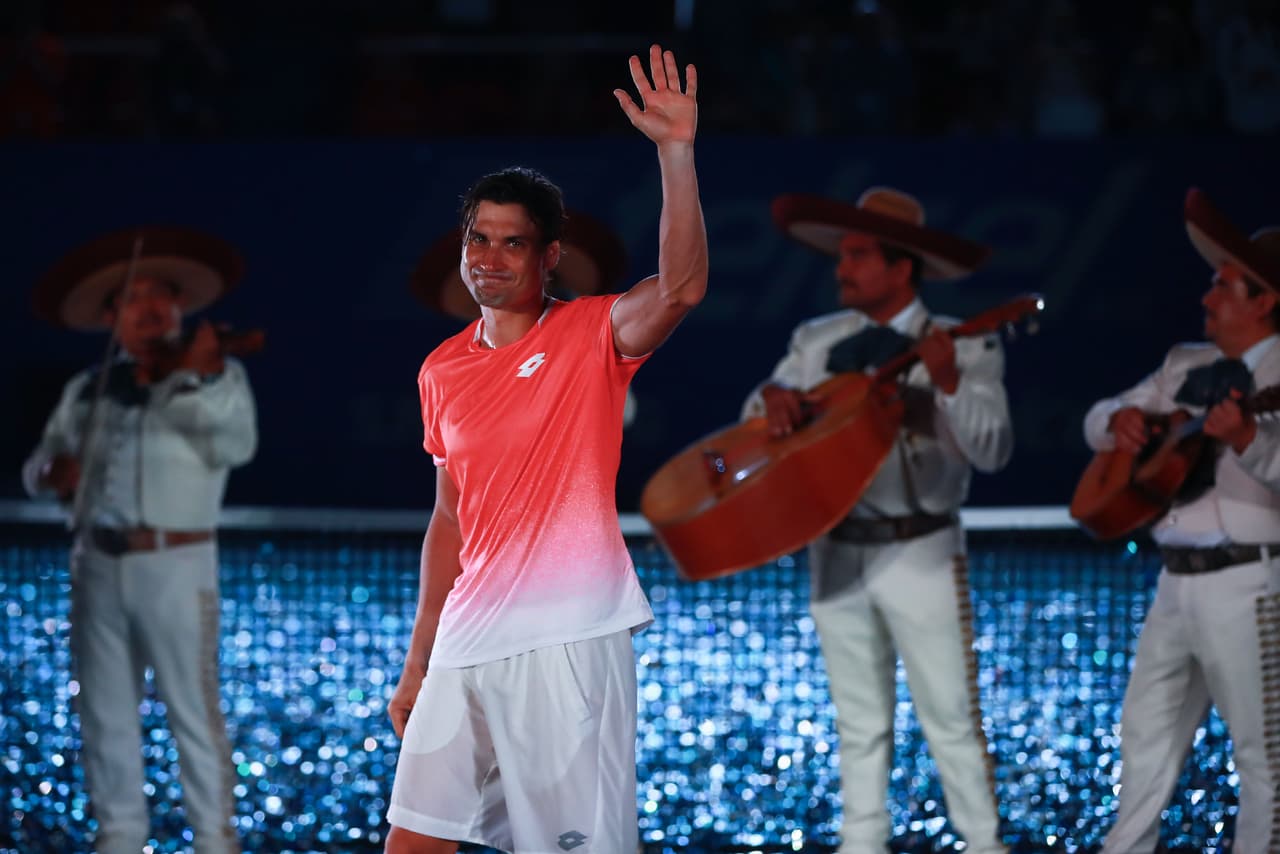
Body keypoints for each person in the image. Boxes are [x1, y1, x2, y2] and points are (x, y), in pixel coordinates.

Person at [384, 43, 707, 854]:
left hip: (568, 637)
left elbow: (682, 288)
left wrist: (676, 152)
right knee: (413, 841)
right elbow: (449, 522)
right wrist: (418, 659)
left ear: (548, 255)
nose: (488, 259)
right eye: (477, 240)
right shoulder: (441, 369)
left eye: (512, 243)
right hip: (465, 640)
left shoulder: (592, 330)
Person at [743, 188, 1011, 854]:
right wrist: (772, 399)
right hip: (836, 553)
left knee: (950, 716)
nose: (842, 267)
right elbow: (754, 416)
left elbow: (995, 448)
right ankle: (861, 842)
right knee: (858, 721)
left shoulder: (962, 344)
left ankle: (984, 843)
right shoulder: (815, 341)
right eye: (843, 254)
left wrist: (947, 385)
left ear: (902, 268)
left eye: (859, 254)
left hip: (921, 550)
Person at [22, 226, 257, 854]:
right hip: (95, 560)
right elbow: (40, 461)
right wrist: (50, 474)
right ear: (111, 318)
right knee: (103, 711)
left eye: (163, 297)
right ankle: (119, 836)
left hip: (176, 563)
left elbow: (237, 445)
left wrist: (184, 382)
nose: (152, 308)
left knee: (192, 710)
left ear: (180, 309)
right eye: (134, 298)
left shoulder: (214, 376)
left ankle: (215, 840)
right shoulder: (88, 389)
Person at [1088, 188, 1280, 853]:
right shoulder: (1183, 364)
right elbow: (1098, 420)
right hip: (1175, 583)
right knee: (1144, 743)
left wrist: (1252, 440)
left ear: (1264, 301)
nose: (1207, 299)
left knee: (1265, 762)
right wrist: (1118, 421)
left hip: (1250, 585)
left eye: (1223, 286)